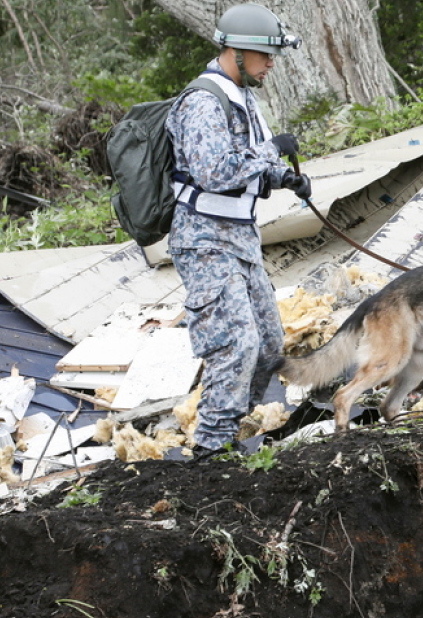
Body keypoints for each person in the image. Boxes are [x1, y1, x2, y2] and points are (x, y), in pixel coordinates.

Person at [165, 3, 311, 455]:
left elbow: (242, 170)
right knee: (236, 344)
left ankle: (229, 431)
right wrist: (271, 151)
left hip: (240, 239)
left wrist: (283, 178)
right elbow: (212, 171)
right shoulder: (202, 101)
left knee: (268, 345)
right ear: (239, 52)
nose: (271, 65)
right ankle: (211, 451)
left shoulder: (242, 97)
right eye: (266, 56)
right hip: (204, 240)